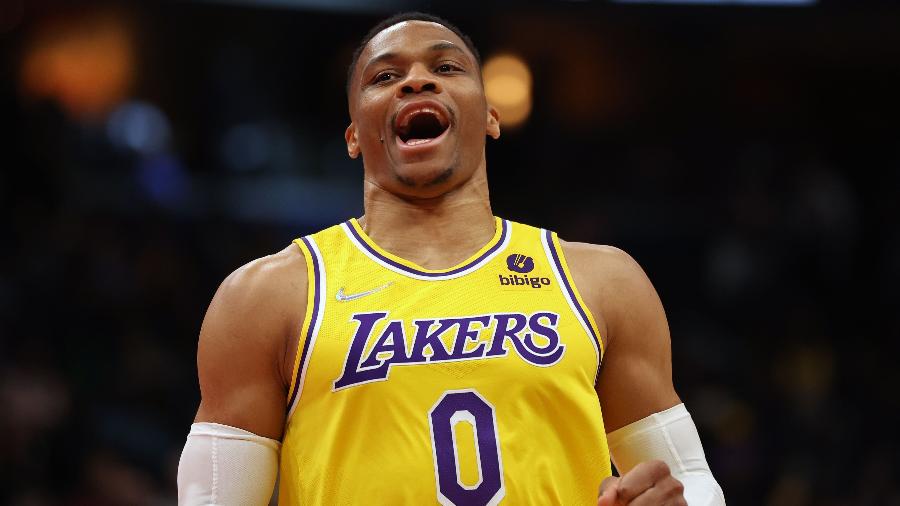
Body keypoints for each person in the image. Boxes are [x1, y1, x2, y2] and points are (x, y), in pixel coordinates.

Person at [177, 11, 725, 506]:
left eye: (446, 66)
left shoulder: (603, 281)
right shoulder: (268, 295)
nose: (417, 79)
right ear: (353, 136)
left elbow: (692, 481)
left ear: (489, 115)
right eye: (384, 77)